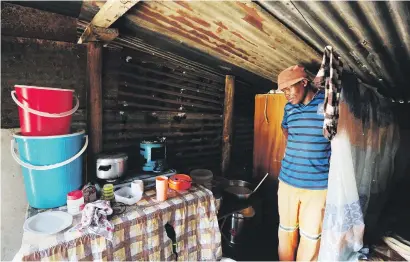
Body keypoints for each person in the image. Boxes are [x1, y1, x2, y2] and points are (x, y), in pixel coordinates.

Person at [276, 65, 330, 261]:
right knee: (286, 231)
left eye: (289, 88)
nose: (286, 95)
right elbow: (285, 129)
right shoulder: (289, 108)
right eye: (283, 91)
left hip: (317, 187)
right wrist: (298, 147)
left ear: (304, 82)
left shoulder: (328, 104)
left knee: (311, 237)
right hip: (288, 181)